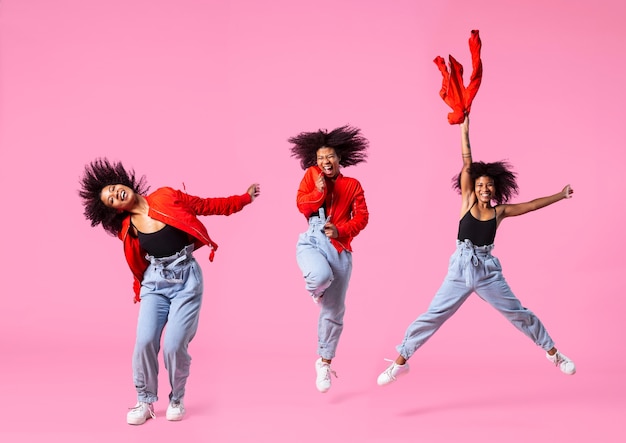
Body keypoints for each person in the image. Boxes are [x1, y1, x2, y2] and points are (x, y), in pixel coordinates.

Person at [377, 116, 576, 386]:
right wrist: (465, 130)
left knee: (518, 313)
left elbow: (530, 205)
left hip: (487, 272)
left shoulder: (499, 211)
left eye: (488, 185)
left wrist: (560, 194)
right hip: (460, 268)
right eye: (480, 185)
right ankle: (400, 362)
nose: (483, 188)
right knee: (433, 315)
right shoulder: (468, 200)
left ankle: (554, 354)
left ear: (495, 189)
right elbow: (467, 164)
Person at [79, 158, 260, 424]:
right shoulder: (127, 229)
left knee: (174, 346)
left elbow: (205, 206)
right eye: (111, 200)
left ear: (123, 182)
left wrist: (244, 198)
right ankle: (145, 401)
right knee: (144, 342)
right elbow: (136, 263)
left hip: (186, 279)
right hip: (155, 283)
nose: (115, 195)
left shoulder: (165, 195)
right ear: (114, 210)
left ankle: (177, 398)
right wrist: (139, 287)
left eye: (114, 189)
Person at [289, 126, 369, 393]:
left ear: (339, 159)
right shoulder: (311, 177)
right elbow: (302, 205)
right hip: (312, 238)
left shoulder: (353, 185)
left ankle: (324, 362)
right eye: (321, 157)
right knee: (319, 276)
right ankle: (317, 290)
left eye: (330, 157)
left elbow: (362, 218)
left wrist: (342, 230)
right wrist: (318, 191)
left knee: (334, 312)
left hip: (340, 246)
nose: (325, 161)